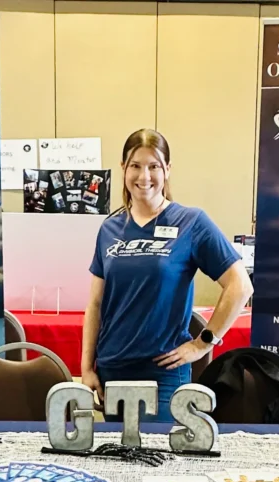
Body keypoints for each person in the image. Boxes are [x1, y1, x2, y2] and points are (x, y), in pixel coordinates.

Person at [81, 129, 253, 422]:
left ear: (167, 170)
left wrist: (202, 343)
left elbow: (240, 286)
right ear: (123, 169)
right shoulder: (110, 228)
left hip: (163, 372)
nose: (144, 176)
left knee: (157, 449)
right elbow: (96, 304)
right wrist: (86, 368)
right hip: (112, 368)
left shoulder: (191, 222)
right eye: (135, 166)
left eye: (154, 166)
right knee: (119, 451)